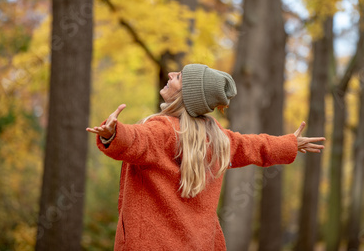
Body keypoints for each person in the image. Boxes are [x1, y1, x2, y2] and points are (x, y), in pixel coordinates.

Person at [86, 63, 325, 250]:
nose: (170, 74)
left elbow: (137, 139)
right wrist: (289, 144)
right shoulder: (218, 140)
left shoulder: (161, 131)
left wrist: (113, 133)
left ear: (187, 96)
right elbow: (253, 145)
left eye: (178, 77)